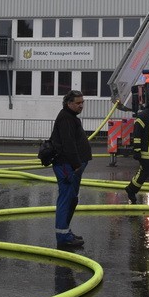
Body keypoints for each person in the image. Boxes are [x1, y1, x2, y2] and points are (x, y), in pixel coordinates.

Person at [51, 90, 91, 249]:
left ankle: (66, 231)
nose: (81, 105)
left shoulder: (70, 117)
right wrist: (76, 165)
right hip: (67, 165)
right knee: (67, 199)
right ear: (69, 103)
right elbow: (68, 144)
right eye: (78, 103)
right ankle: (63, 236)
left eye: (82, 102)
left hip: (72, 165)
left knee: (72, 199)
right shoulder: (66, 118)